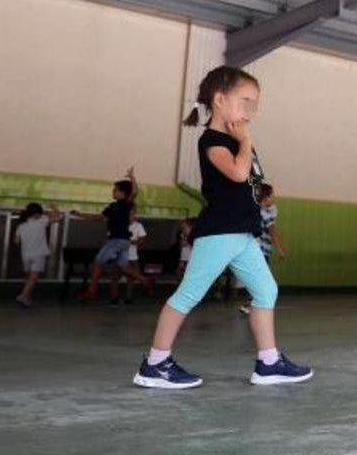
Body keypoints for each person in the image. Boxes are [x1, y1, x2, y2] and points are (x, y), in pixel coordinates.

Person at [134, 65, 312, 388]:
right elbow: (237, 173)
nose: (251, 110)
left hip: (242, 234)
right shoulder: (213, 140)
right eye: (245, 101)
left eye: (255, 103)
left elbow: (254, 183)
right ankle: (155, 364)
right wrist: (244, 141)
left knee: (266, 290)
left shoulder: (238, 141)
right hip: (220, 232)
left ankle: (268, 363)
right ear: (219, 100)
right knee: (188, 295)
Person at [73, 168, 151, 304]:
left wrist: (132, 177)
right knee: (124, 267)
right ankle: (145, 281)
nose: (113, 192)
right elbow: (98, 217)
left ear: (123, 193)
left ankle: (92, 290)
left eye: (115, 190)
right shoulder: (112, 207)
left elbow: (135, 191)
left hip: (117, 240)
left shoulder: (126, 204)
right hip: (124, 242)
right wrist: (81, 215)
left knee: (98, 262)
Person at [240, 183, 287, 316]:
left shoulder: (269, 210)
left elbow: (272, 229)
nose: (273, 198)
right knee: (262, 278)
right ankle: (252, 304)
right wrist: (280, 249)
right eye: (271, 196)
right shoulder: (262, 212)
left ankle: (252, 303)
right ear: (265, 198)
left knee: (258, 277)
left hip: (260, 249)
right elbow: (272, 231)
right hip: (257, 249)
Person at [13, 202, 62, 307]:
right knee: (33, 278)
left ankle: (27, 299)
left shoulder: (21, 226)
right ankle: (23, 295)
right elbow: (58, 218)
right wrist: (54, 208)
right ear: (37, 214)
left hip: (25, 255)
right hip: (38, 254)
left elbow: (16, 241)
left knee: (29, 278)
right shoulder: (42, 221)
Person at [121, 207, 148, 305]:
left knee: (132, 277)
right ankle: (146, 283)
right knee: (124, 276)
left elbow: (143, 239)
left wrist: (135, 242)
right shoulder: (120, 224)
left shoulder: (138, 225)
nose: (130, 216)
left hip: (133, 256)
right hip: (122, 256)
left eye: (132, 214)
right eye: (129, 214)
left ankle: (129, 297)